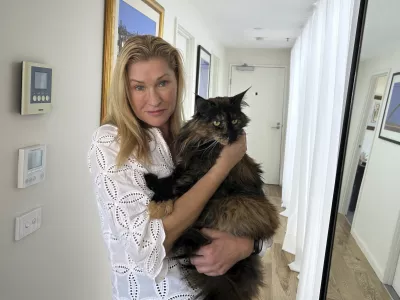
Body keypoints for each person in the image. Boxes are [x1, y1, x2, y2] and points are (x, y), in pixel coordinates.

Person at [87, 35, 271, 300]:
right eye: (139, 87)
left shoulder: (198, 136)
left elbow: (259, 216)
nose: (154, 99)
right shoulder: (110, 142)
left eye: (162, 83)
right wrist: (223, 166)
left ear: (177, 82)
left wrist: (246, 246)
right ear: (124, 91)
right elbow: (147, 246)